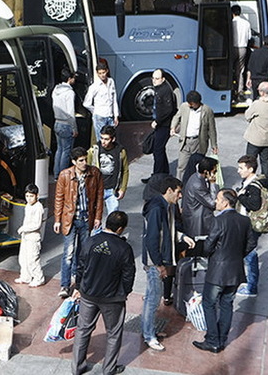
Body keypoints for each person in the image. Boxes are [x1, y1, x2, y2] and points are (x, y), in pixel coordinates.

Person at [192, 188, 256, 353]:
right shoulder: (244, 220)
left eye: (219, 199)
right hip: (235, 270)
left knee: (209, 303)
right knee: (227, 304)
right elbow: (251, 243)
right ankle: (221, 339)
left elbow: (208, 245)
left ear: (226, 202)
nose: (216, 202)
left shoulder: (218, 221)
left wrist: (210, 254)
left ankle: (212, 340)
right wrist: (238, 254)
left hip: (218, 272)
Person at [71, 211, 134, 375]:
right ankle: (109, 369)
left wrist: (78, 286)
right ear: (120, 229)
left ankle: (77, 367)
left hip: (88, 295)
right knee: (113, 334)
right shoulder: (124, 248)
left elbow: (80, 266)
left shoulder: (91, 241)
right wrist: (124, 292)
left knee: (83, 330)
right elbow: (128, 275)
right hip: (112, 298)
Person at [141, 177, 195, 351]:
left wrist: (181, 237)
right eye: (179, 192)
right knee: (152, 299)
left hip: (160, 259)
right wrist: (159, 265)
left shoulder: (167, 206)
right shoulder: (157, 209)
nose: (180, 196)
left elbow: (168, 230)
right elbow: (152, 239)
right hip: (155, 262)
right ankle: (149, 335)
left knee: (152, 297)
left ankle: (147, 330)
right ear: (169, 190)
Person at [53, 146, 104, 298]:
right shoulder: (65, 175)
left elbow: (99, 197)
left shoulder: (94, 173)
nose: (84, 163)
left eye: (85, 159)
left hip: (86, 218)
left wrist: (98, 217)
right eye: (81, 160)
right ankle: (65, 285)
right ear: (74, 162)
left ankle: (81, 283)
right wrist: (57, 220)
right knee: (68, 253)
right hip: (70, 219)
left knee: (83, 254)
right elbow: (59, 198)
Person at [170, 90, 218, 181]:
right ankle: (179, 185)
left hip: (199, 143)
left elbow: (212, 130)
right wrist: (173, 127)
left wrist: (214, 145)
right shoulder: (184, 107)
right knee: (181, 166)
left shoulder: (207, 111)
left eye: (191, 104)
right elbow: (176, 117)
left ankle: (195, 184)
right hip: (185, 141)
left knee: (197, 166)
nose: (189, 105)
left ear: (196, 103)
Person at [235, 154, 265, 297]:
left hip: (250, 227)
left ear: (250, 169)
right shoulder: (248, 182)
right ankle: (248, 283)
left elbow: (254, 204)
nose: (238, 171)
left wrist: (240, 196)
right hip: (247, 225)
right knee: (247, 254)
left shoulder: (253, 186)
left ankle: (252, 287)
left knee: (250, 255)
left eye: (241, 168)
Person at [243, 81, 268, 188]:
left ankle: (247, 185)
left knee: (249, 162)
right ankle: (266, 186)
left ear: (262, 92)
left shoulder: (258, 104)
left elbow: (247, 116)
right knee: (265, 162)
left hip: (255, 139)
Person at [87, 124, 129, 226]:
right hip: (98, 189)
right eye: (101, 138)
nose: (103, 142)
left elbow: (125, 171)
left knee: (113, 217)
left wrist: (122, 188)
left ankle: (110, 235)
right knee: (96, 217)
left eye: (106, 139)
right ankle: (97, 236)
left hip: (112, 190)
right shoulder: (94, 150)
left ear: (113, 139)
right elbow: (87, 169)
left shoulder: (120, 151)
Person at [142, 68, 176, 183]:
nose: (154, 81)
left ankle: (157, 176)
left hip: (163, 125)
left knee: (158, 150)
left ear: (163, 79)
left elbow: (168, 109)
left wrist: (157, 121)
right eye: (153, 78)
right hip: (161, 124)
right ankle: (164, 173)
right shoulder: (159, 89)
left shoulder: (165, 90)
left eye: (157, 78)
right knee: (160, 149)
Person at [181, 156, 219, 242]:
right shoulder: (197, 185)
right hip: (197, 220)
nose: (215, 174)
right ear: (206, 172)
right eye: (214, 171)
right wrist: (212, 183)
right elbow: (212, 203)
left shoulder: (196, 177)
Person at [14, 183, 45, 288]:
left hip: (33, 237)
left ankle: (38, 278)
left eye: (31, 196)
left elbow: (37, 224)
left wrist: (23, 228)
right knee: (23, 258)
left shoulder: (38, 207)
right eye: (27, 196)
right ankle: (25, 276)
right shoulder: (28, 206)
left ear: (37, 196)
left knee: (32, 259)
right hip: (26, 236)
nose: (29, 199)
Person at [83, 62, 120, 141]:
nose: (102, 75)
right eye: (100, 73)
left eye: (103, 72)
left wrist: (116, 115)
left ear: (107, 71)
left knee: (111, 139)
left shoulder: (111, 82)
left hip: (110, 116)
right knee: (101, 140)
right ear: (97, 73)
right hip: (100, 116)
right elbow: (86, 103)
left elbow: (114, 99)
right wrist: (95, 111)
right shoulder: (94, 86)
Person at [53, 68, 78, 179]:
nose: (74, 80)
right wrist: (74, 128)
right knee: (66, 151)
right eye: (73, 78)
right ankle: (63, 175)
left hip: (57, 122)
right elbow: (70, 112)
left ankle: (56, 174)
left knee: (59, 149)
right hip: (66, 124)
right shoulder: (69, 93)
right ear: (69, 79)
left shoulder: (55, 89)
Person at [232, 4, 252, 95]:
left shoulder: (231, 22)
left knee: (230, 69)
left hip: (232, 48)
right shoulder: (246, 23)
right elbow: (249, 37)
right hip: (243, 48)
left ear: (232, 13)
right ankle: (240, 90)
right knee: (240, 70)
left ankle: (232, 88)